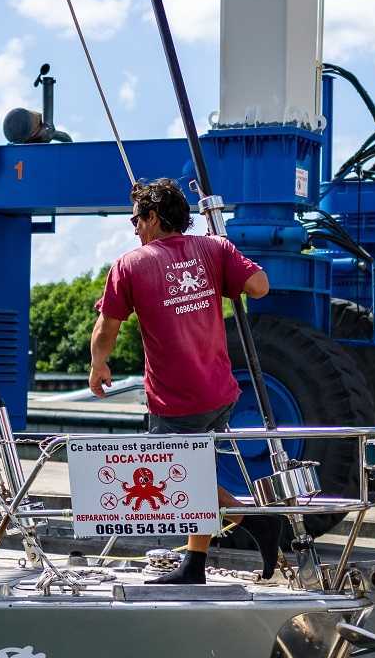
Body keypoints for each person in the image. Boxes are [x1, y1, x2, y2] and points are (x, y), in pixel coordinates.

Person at [88, 178, 272, 585]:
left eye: (135, 219)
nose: (134, 228)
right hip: (220, 391)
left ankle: (250, 518)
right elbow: (259, 287)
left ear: (152, 217)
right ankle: (195, 563)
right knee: (195, 472)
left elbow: (107, 326)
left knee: (168, 475)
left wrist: (98, 364)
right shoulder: (214, 249)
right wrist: (223, 257)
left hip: (177, 398)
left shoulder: (131, 264)